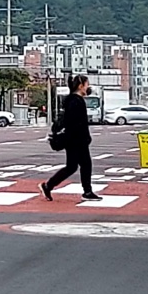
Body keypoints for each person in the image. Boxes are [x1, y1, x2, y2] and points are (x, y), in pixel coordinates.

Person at [40, 73, 102, 202]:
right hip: (76, 140)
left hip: (74, 139)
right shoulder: (76, 101)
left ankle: (48, 186)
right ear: (80, 86)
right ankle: (87, 191)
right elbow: (74, 122)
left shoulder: (73, 100)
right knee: (84, 164)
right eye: (87, 85)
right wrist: (83, 137)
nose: (88, 88)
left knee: (72, 166)